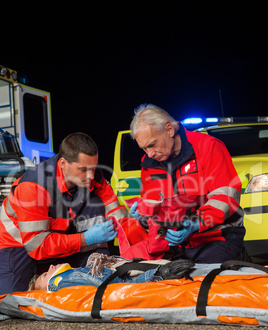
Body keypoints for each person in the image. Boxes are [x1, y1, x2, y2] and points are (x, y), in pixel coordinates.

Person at [0, 132, 147, 294]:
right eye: (83, 169)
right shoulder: (34, 187)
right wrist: (87, 238)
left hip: (56, 237)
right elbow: (37, 246)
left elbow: (116, 212)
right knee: (12, 300)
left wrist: (132, 219)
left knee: (95, 202)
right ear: (63, 163)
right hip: (18, 245)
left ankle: (98, 273)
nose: (91, 176)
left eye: (93, 168)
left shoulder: (93, 177)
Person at [127, 104, 245, 263]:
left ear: (169, 130)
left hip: (216, 238)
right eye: (144, 149)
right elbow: (156, 208)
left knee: (205, 280)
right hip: (176, 243)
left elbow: (225, 197)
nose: (150, 154)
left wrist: (195, 223)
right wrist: (144, 216)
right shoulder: (149, 163)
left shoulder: (208, 147)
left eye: (152, 145)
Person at [28, 253, 195, 291]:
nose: (50, 268)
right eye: (44, 275)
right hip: (151, 276)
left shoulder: (77, 274)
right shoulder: (65, 282)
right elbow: (119, 288)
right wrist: (159, 274)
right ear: (50, 287)